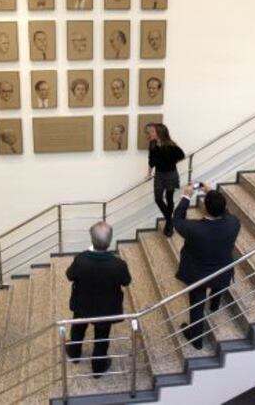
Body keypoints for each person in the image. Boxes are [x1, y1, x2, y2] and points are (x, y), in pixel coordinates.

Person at [174, 184, 241, 350]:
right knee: (218, 282)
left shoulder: (194, 228)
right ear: (224, 207)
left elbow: (177, 220)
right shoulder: (234, 223)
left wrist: (186, 196)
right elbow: (224, 212)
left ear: (204, 208)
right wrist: (211, 192)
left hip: (198, 274)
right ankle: (214, 304)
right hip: (222, 270)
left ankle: (196, 338)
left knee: (197, 303)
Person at [66, 222, 131, 376]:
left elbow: (69, 275)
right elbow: (126, 281)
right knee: (102, 336)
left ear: (91, 239)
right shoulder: (119, 264)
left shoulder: (81, 259)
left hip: (82, 304)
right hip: (106, 308)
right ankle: (98, 366)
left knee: (78, 328)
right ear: (110, 241)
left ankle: (75, 353)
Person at [147, 123, 185, 237]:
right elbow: (151, 160)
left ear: (159, 133)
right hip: (159, 175)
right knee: (158, 198)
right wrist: (149, 174)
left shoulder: (170, 146)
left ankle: (169, 224)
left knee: (169, 198)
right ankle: (170, 220)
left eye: (152, 132)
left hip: (170, 175)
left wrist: (171, 162)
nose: (150, 133)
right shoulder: (152, 144)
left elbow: (181, 155)